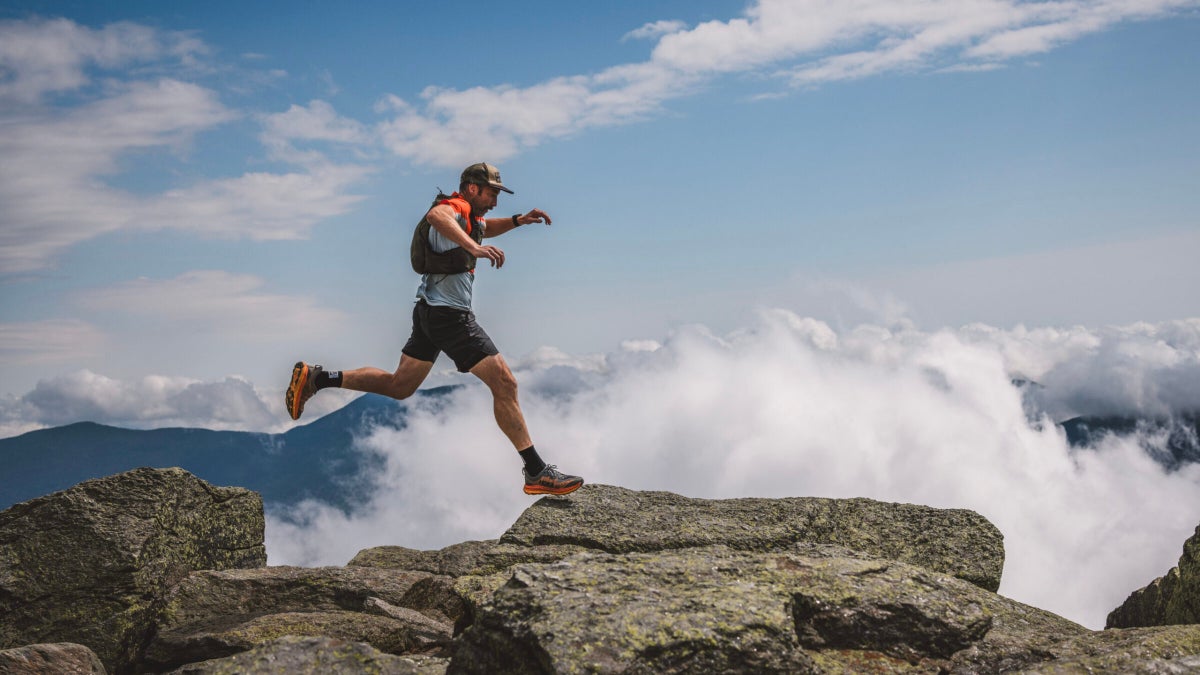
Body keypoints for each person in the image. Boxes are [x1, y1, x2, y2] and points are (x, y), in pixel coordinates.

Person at [286, 162, 583, 496]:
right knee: (505, 383)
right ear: (472, 188)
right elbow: (436, 217)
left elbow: (486, 227)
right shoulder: (454, 208)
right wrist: (474, 248)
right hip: (450, 317)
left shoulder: (472, 218)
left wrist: (517, 221)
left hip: (428, 313)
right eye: (492, 192)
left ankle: (317, 377)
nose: (496, 200)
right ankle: (535, 471)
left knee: (399, 386)